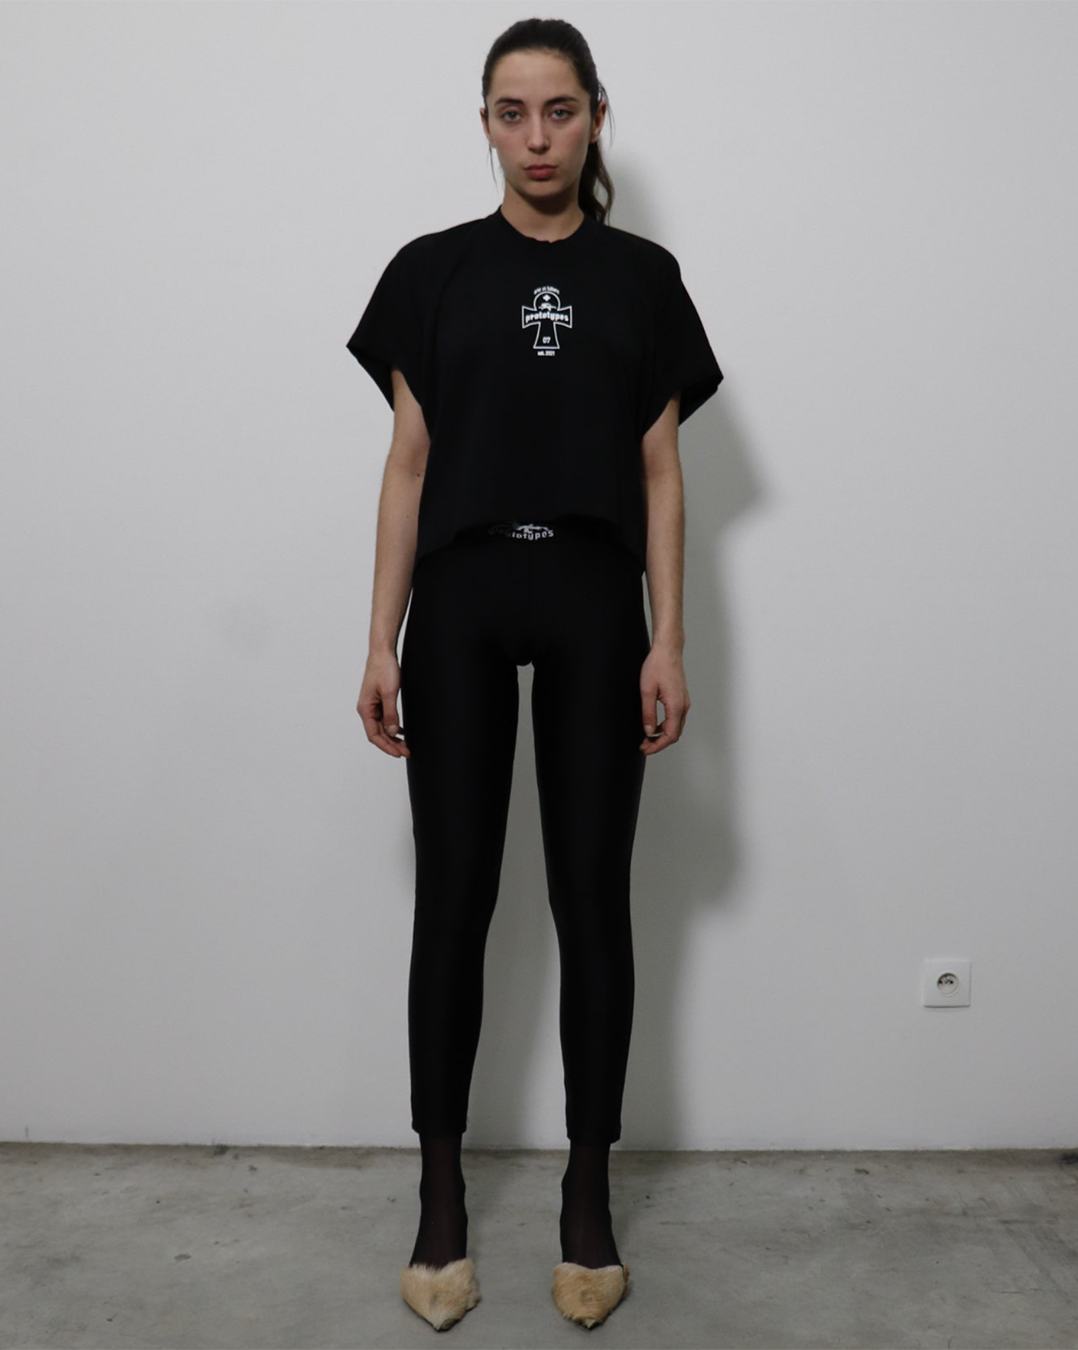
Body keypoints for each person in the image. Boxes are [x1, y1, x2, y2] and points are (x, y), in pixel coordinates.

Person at [346, 18, 723, 1332]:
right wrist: (380, 636)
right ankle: (440, 1197)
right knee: (452, 898)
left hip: (590, 596)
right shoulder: (433, 272)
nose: (538, 136)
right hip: (459, 595)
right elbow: (407, 465)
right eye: (513, 113)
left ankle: (587, 1195)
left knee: (591, 902)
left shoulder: (642, 278)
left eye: (560, 110)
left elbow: (662, 473)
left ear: (597, 117)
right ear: (487, 125)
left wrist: (668, 637)